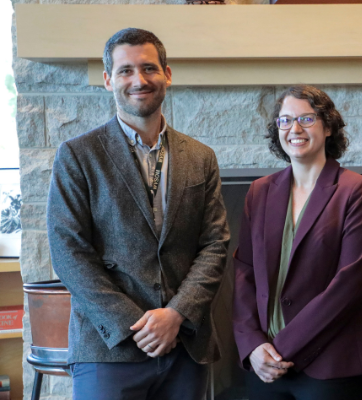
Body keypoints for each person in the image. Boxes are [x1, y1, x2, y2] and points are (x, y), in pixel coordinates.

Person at [47, 28, 230, 400]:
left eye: (149, 68)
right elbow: (69, 252)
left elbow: (215, 244)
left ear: (167, 74)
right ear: (107, 80)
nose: (139, 80)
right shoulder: (78, 155)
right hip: (108, 349)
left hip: (185, 345)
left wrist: (176, 314)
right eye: (126, 70)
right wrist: (135, 325)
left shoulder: (201, 157)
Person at [231, 85, 362, 399]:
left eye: (306, 119)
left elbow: (349, 284)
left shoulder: (356, 190)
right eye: (285, 121)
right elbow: (244, 272)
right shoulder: (259, 192)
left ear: (328, 127)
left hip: (329, 365)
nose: (294, 129)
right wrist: (253, 345)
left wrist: (281, 348)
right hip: (263, 366)